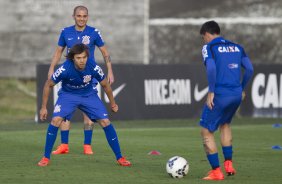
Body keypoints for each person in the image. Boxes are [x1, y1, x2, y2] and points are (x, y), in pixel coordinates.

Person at [38, 44, 130, 167]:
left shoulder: (93, 66)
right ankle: (46, 158)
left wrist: (113, 103)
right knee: (55, 120)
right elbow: (48, 85)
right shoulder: (65, 69)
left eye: (84, 57)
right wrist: (43, 107)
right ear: (73, 58)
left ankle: (120, 157)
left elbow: (105, 85)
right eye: (78, 58)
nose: (82, 60)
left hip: (88, 95)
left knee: (105, 121)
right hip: (68, 95)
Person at [48, 5, 114, 155]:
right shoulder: (65, 32)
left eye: (84, 16)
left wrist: (110, 70)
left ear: (87, 17)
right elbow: (58, 52)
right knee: (65, 113)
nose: (82, 19)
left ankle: (87, 145)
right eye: (79, 16)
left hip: (88, 75)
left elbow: (105, 52)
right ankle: (64, 145)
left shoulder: (94, 32)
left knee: (88, 112)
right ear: (74, 16)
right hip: (71, 76)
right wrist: (51, 68)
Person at [199, 21, 254, 180]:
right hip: (236, 94)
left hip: (220, 94)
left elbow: (211, 68)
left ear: (207, 34)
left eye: (203, 38)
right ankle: (228, 163)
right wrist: (241, 87)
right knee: (225, 124)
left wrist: (211, 90)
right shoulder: (237, 47)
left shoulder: (209, 47)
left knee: (206, 131)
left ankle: (216, 171)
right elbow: (249, 69)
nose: (204, 41)